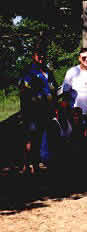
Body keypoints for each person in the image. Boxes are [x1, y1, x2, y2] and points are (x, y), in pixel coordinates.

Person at [19, 46, 57, 175]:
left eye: (43, 55)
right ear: (33, 56)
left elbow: (54, 89)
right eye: (38, 55)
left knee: (43, 137)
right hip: (32, 111)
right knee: (30, 138)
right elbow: (23, 90)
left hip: (47, 111)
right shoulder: (28, 71)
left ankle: (39, 165)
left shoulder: (48, 72)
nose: (41, 57)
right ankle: (26, 165)